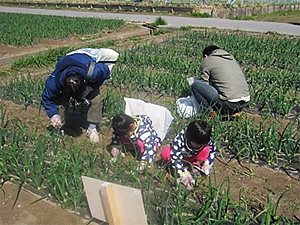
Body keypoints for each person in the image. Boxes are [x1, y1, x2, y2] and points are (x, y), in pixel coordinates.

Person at [42, 48, 119, 143]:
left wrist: (92, 87)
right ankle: (58, 127)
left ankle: (92, 128)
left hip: (87, 56)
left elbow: (106, 71)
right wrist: (54, 115)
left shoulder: (94, 72)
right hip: (68, 58)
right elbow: (47, 99)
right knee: (61, 101)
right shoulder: (54, 83)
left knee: (95, 98)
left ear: (84, 81)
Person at [191, 45, 250, 117]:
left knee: (196, 85)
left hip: (229, 104)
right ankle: (235, 111)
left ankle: (208, 112)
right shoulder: (231, 59)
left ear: (206, 56)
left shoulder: (208, 60)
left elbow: (204, 83)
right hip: (244, 103)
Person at [160, 120, 217, 190]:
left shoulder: (205, 139)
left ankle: (197, 164)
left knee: (206, 149)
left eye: (201, 144)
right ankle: (180, 167)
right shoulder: (179, 140)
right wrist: (183, 174)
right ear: (190, 139)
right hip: (181, 157)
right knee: (166, 153)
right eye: (197, 144)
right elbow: (175, 156)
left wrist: (207, 163)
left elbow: (212, 150)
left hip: (195, 157)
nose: (199, 146)